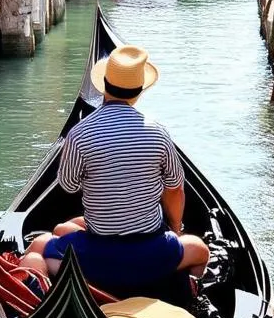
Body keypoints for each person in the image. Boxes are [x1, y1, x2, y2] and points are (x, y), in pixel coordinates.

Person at [20, 46, 210, 292]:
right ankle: (186, 288)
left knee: (39, 246)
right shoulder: (159, 133)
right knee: (199, 249)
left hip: (95, 261)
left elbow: (68, 186)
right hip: (153, 257)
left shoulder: (78, 134)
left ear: (104, 85)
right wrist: (174, 231)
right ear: (140, 90)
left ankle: (38, 296)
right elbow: (175, 190)